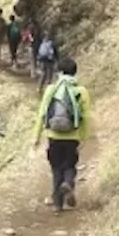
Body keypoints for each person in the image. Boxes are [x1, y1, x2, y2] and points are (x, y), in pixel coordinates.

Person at [33, 58, 92, 213]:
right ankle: (68, 183)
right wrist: (84, 136)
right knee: (70, 166)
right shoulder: (81, 91)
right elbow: (85, 116)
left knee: (55, 168)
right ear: (75, 72)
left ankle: (58, 205)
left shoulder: (51, 89)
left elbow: (42, 114)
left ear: (59, 72)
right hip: (72, 136)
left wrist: (36, 136)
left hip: (53, 135)